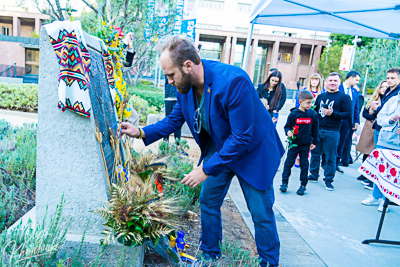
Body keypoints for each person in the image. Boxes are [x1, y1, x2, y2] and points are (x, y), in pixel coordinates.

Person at [119, 35, 284, 267]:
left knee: (260, 213)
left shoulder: (234, 81)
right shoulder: (185, 85)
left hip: (253, 151)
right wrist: (142, 132)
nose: (169, 81)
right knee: (208, 200)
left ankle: (269, 262)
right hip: (222, 146)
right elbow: (175, 119)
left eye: (170, 75)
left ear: (188, 66)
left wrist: (205, 169)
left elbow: (242, 137)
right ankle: (209, 255)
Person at [308, 72, 352, 190]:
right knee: (315, 154)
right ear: (326, 82)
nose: (332, 83)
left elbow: (348, 114)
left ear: (339, 82)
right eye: (330, 80)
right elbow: (315, 112)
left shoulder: (344, 98)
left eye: (335, 81)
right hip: (318, 130)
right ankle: (313, 174)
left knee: (330, 157)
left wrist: (333, 114)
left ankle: (328, 180)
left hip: (332, 131)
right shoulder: (321, 97)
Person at [361, 92, 400, 211]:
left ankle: (386, 200)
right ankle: (375, 197)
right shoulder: (393, 100)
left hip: (398, 145)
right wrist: (390, 120)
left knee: (393, 174)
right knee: (380, 169)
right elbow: (380, 119)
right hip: (385, 140)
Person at [280, 90, 319, 195]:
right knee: (288, 163)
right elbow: (287, 126)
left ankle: (303, 185)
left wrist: (315, 141)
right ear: (300, 101)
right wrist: (288, 131)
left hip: (306, 144)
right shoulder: (294, 114)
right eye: (308, 102)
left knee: (304, 165)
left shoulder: (312, 114)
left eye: (312, 102)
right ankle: (284, 183)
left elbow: (315, 129)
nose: (311, 105)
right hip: (294, 144)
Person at [357, 81, 388, 189]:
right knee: (366, 150)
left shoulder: (388, 100)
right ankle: (364, 172)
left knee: (375, 151)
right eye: (382, 86)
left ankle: (370, 176)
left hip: (380, 127)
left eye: (386, 86)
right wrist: (372, 118)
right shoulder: (372, 100)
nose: (384, 88)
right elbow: (364, 113)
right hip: (369, 126)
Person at [294, 73, 323, 167]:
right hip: (303, 117)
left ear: (319, 81)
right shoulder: (303, 91)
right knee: (300, 136)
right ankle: (297, 158)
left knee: (311, 138)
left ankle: (305, 157)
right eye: (313, 79)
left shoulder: (321, 93)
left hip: (314, 119)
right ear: (310, 80)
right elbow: (297, 104)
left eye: (317, 80)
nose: (314, 81)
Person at [336, 71, 360, 173]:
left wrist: (356, 121)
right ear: (350, 78)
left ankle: (336, 164)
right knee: (332, 143)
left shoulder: (354, 92)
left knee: (341, 144)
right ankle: (326, 162)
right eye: (356, 80)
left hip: (348, 122)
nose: (357, 82)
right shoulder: (338, 88)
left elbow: (356, 107)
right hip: (336, 120)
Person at [163, 75, 182, 142]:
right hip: (170, 98)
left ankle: (176, 146)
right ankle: (165, 145)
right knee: (170, 121)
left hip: (176, 98)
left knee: (176, 121)